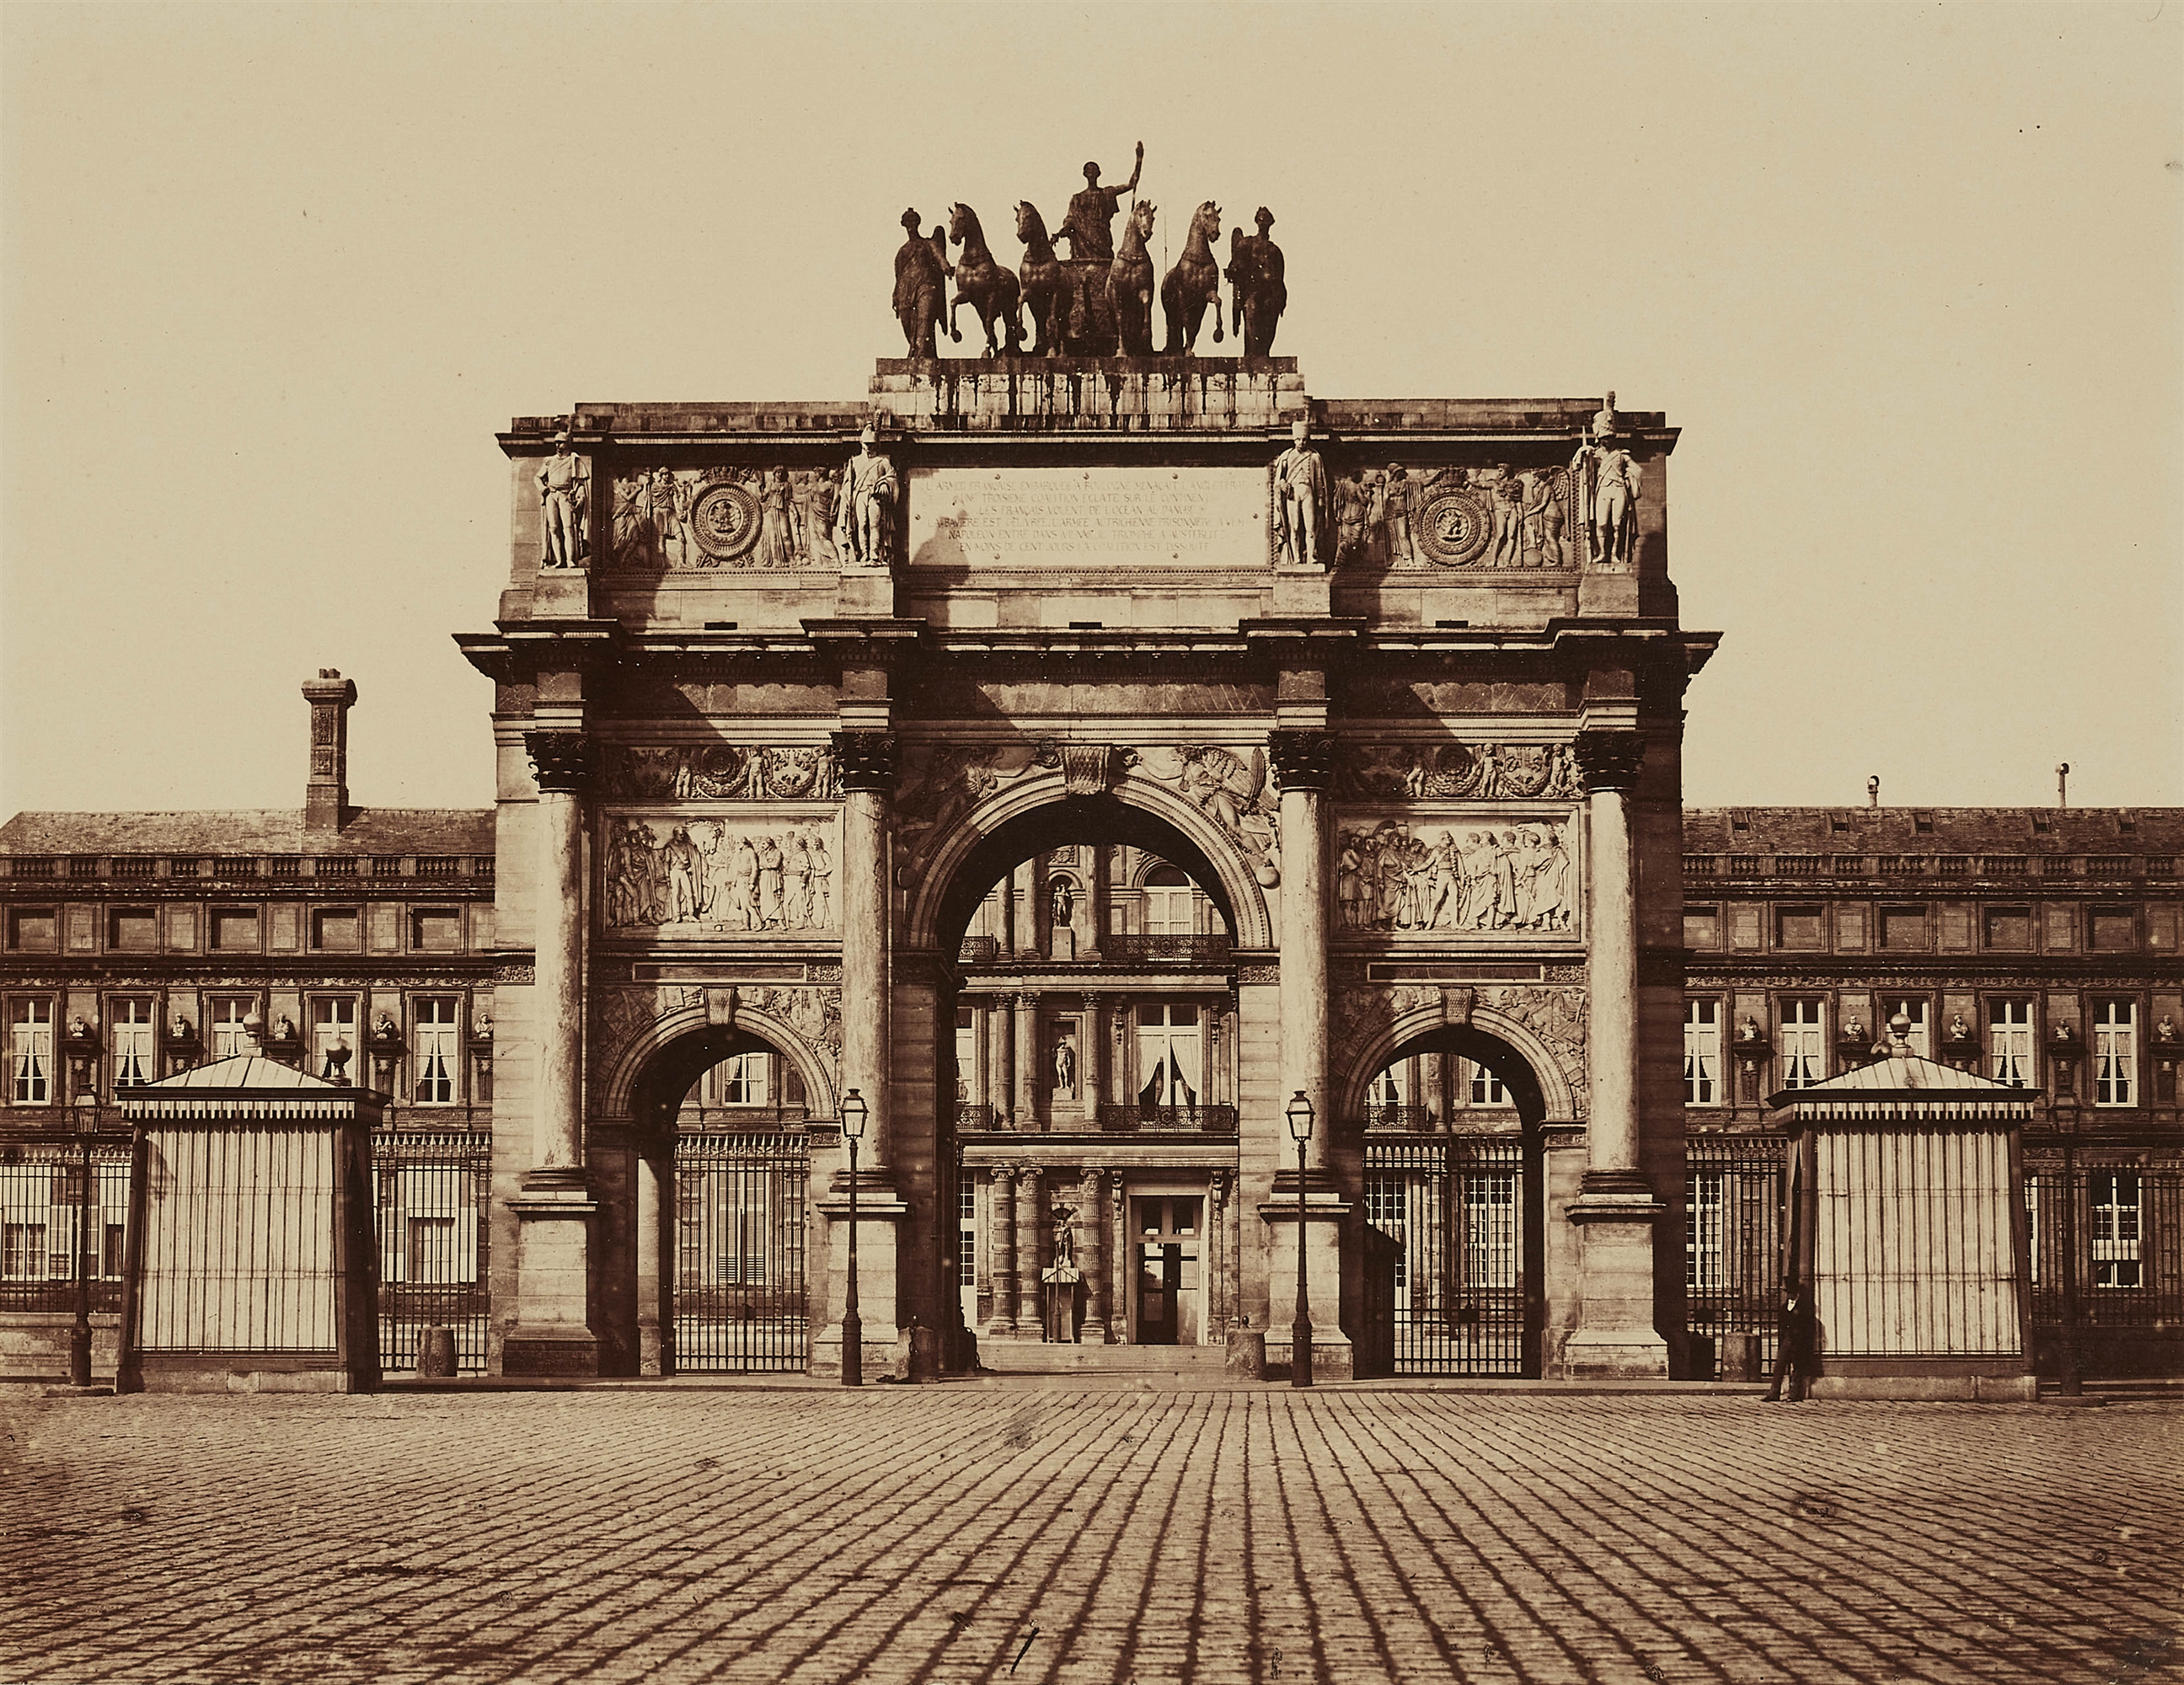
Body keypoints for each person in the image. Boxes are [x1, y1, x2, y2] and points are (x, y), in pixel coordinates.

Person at [1053, 143, 1144, 264]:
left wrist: (1139, 161)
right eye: (1089, 170)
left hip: (1102, 237)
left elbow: (1131, 184)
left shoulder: (1107, 193)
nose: (1091, 173)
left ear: (1099, 173)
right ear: (1084, 174)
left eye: (1094, 170)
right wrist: (1063, 230)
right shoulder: (1077, 198)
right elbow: (1071, 218)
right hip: (1082, 241)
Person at [1271, 420, 1331, 567]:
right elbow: (1278, 481)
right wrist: (1283, 484)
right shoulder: (1286, 456)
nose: (1301, 442)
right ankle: (1296, 558)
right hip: (1292, 493)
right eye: (1298, 439)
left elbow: (1318, 480)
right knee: (1295, 528)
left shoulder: (1314, 457)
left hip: (1308, 492)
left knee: (1310, 528)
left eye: (1304, 439)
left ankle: (1311, 557)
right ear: (1294, 439)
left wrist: (1321, 498)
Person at [839, 428, 897, 569]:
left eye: (871, 444)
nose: (869, 446)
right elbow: (847, 482)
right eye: (866, 443)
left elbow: (892, 477)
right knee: (861, 525)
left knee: (874, 525)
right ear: (861, 443)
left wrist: (885, 484)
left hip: (874, 496)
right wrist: (847, 493)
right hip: (859, 495)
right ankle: (864, 554)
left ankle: (874, 554)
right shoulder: (854, 461)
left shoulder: (882, 462)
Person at [538, 431, 586, 568]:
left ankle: (570, 560)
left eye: (561, 442)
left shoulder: (574, 460)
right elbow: (537, 477)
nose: (558, 445)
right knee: (553, 529)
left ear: (568, 443)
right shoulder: (550, 461)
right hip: (551, 495)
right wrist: (542, 488)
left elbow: (580, 482)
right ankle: (559, 561)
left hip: (566, 495)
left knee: (568, 528)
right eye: (556, 442)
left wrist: (580, 497)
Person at [1764, 1276, 1817, 1402]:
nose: (1789, 1295)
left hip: (1799, 1342)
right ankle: (1774, 1393)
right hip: (1787, 1340)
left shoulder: (1804, 1308)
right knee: (1779, 1366)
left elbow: (1809, 1327)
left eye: (1791, 1293)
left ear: (1796, 1293)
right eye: (1788, 1293)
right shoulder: (1784, 1308)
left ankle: (1794, 1394)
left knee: (1797, 1367)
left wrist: (1802, 1340)